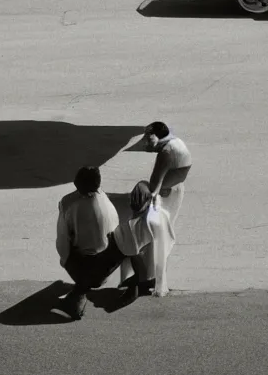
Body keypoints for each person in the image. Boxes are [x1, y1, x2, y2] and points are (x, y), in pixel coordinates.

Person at [118, 122, 191, 294]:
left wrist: (140, 191)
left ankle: (147, 277)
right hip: (174, 190)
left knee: (150, 236)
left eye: (148, 137)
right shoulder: (175, 143)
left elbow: (154, 186)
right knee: (161, 236)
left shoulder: (166, 152)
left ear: (157, 135)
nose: (145, 141)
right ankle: (153, 276)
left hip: (165, 195)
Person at [55, 166, 130, 320]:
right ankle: (82, 287)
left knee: (74, 251)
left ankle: (80, 291)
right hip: (107, 267)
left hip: (84, 268)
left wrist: (65, 260)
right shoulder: (106, 201)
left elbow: (62, 243)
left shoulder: (68, 203)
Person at [113, 181, 177, 299]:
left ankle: (133, 283)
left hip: (144, 277)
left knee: (128, 246)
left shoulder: (136, 224)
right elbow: (171, 240)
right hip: (158, 275)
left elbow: (127, 249)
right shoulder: (162, 215)